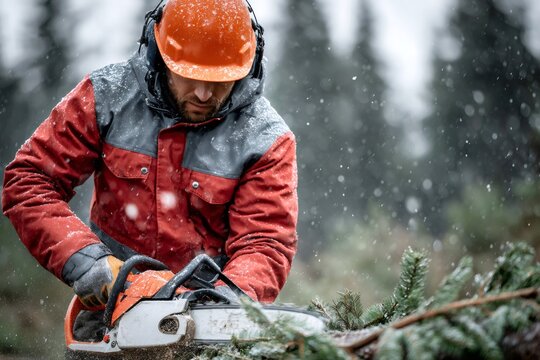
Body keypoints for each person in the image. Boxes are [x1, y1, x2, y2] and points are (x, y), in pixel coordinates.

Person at [2, 0, 297, 308]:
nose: (203, 94)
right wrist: (83, 258)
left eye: (218, 81)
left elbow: (265, 242)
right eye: (190, 76)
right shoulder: (107, 97)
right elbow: (29, 180)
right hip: (110, 307)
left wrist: (225, 301)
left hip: (209, 312)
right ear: (159, 55)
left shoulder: (265, 139)